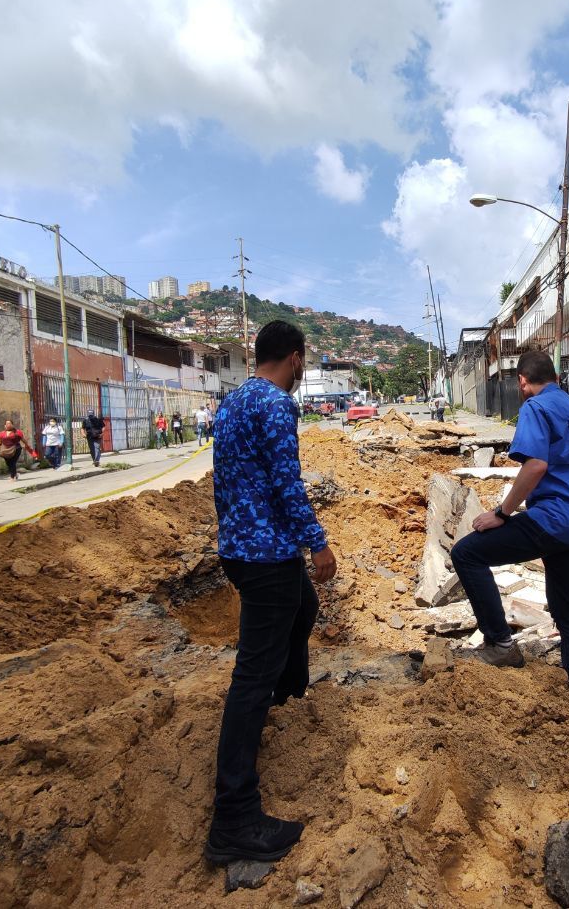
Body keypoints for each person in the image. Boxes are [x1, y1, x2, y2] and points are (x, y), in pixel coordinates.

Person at [206, 319, 336, 866]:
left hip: (240, 549)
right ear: (296, 358)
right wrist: (318, 544)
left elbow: (221, 480)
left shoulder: (232, 403)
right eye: (303, 361)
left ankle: (285, 703)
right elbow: (288, 482)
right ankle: (234, 817)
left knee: (303, 609)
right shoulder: (277, 404)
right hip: (267, 555)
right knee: (251, 676)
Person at [450, 350, 569, 697]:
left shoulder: (535, 407)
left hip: (554, 519)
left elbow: (535, 466)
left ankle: (500, 644)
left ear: (522, 381)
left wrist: (501, 513)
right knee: (568, 614)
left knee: (467, 553)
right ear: (557, 379)